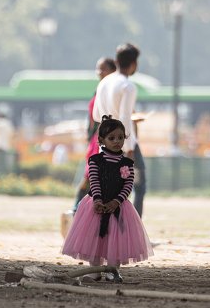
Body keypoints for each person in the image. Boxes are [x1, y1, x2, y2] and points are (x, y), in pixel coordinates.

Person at [61, 116, 153, 280]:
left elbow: (128, 185)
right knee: (94, 237)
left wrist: (116, 201)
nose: (116, 141)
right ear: (102, 140)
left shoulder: (127, 163)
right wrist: (97, 200)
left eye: (120, 137)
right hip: (96, 205)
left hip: (119, 206)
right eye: (111, 138)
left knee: (115, 239)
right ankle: (94, 270)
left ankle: (112, 270)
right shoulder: (96, 160)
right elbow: (94, 180)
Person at [92, 43, 146, 218]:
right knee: (136, 186)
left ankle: (106, 232)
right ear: (134, 64)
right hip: (124, 145)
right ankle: (132, 232)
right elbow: (124, 119)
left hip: (105, 144)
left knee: (108, 188)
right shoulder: (127, 86)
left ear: (116, 61)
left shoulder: (104, 83)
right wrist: (129, 148)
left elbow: (96, 115)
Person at [71, 56, 116, 212]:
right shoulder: (100, 90)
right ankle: (76, 210)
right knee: (89, 176)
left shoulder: (111, 90)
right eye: (98, 68)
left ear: (113, 70)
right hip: (96, 142)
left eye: (103, 68)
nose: (99, 72)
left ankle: (79, 211)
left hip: (105, 141)